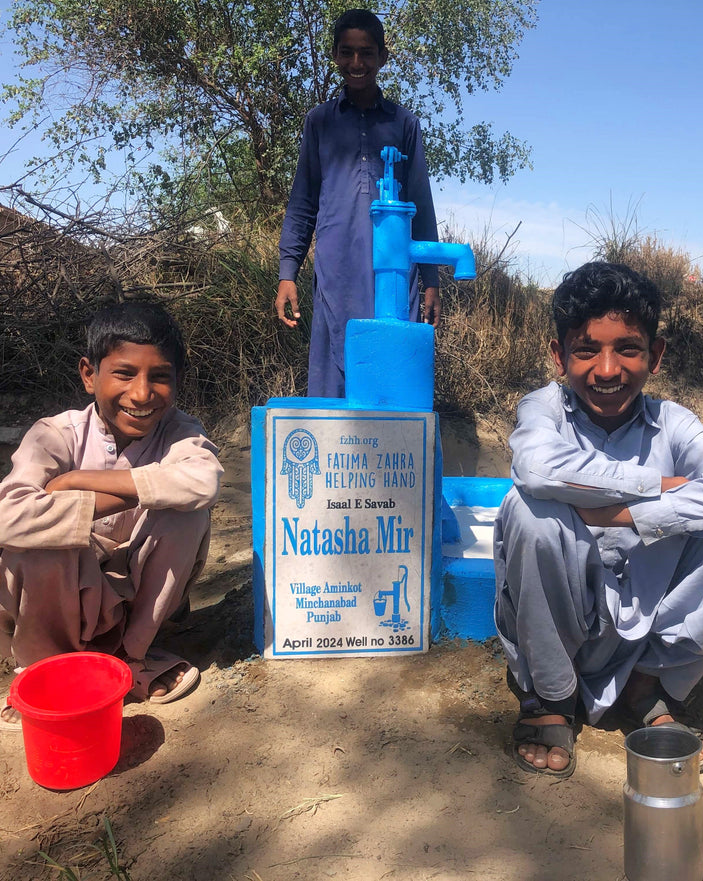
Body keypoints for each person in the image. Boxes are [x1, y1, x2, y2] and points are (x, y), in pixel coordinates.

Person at [493, 261, 703, 777]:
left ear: (655, 356)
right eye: (586, 350)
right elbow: (536, 468)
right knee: (530, 510)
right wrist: (653, 484)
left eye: (627, 348)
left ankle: (648, 686)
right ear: (560, 356)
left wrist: (626, 512)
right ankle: (550, 698)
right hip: (561, 624)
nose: (607, 370)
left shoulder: (674, 424)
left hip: (642, 630)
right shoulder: (544, 409)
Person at [0, 302, 222, 728]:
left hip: (134, 597)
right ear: (89, 374)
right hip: (63, 595)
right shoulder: (54, 434)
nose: (141, 394)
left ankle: (131, 658)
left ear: (178, 381)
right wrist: (130, 496)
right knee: (37, 546)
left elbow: (203, 483)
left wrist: (73, 482)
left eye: (160, 377)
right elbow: (9, 515)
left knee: (186, 513)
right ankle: (46, 670)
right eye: (124, 373)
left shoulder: (180, 431)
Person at [276, 8, 440, 397]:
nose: (356, 62)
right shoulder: (320, 122)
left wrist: (431, 279)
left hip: (396, 274)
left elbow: (421, 201)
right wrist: (288, 272)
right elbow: (303, 201)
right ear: (334, 55)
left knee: (393, 376)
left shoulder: (404, 124)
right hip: (336, 269)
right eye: (347, 52)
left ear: (383, 57)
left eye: (366, 52)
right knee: (333, 376)